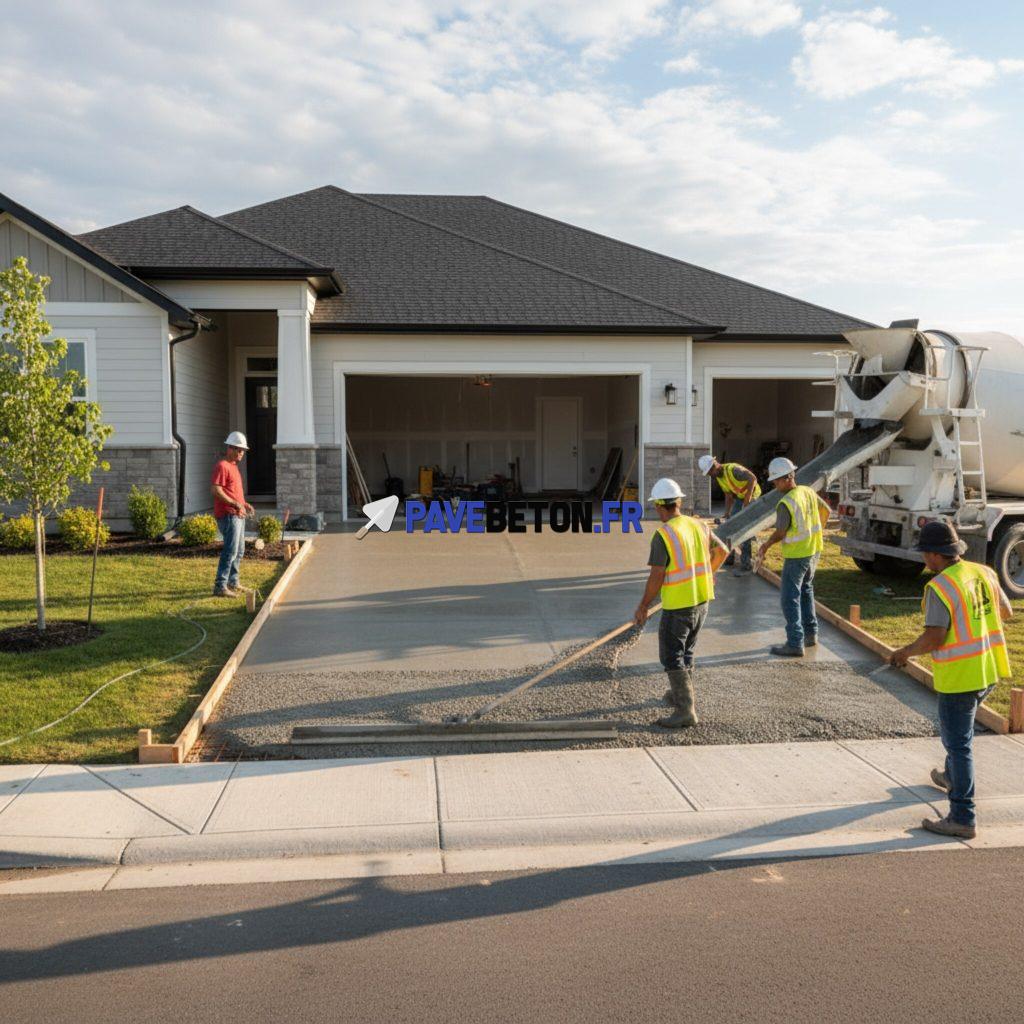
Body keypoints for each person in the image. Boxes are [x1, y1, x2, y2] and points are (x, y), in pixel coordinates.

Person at [890, 521, 1013, 839]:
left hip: (961, 677)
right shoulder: (983, 572)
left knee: (958, 745)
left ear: (934, 554)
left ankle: (962, 817)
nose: (923, 559)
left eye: (924, 553)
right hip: (989, 668)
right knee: (960, 736)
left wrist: (904, 653)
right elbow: (1006, 612)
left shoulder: (941, 587)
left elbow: (934, 637)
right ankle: (951, 777)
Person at [634, 477, 728, 728]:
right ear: (678, 502)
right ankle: (680, 695)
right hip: (702, 601)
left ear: (659, 506)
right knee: (687, 650)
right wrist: (708, 574)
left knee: (671, 655)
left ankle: (685, 710)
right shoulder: (699, 525)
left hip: (679, 606)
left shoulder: (664, 535)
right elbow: (722, 551)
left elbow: (657, 575)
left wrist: (643, 605)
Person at [755, 457, 830, 657]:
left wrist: (766, 545)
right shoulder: (808, 491)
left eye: (776, 480)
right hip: (814, 549)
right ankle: (811, 634)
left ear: (788, 478)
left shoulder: (786, 503)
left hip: (797, 555)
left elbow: (780, 532)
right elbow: (825, 511)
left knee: (790, 598)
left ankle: (795, 642)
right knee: (806, 590)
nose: (775, 484)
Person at [698, 454, 761, 576]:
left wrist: (747, 501)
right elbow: (728, 496)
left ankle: (746, 564)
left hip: (752, 496)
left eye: (710, 472)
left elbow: (753, 478)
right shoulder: (719, 477)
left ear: (715, 465)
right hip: (740, 497)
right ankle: (729, 557)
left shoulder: (733, 469)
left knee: (744, 528)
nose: (710, 475)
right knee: (730, 525)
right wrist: (727, 514)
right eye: (708, 473)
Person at [211, 431, 254, 597]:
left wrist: (243, 504)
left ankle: (233, 582)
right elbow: (216, 490)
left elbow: (233, 492)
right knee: (230, 552)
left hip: (238, 514)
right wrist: (235, 504)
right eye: (239, 450)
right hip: (229, 515)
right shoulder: (222, 466)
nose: (242, 453)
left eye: (243, 450)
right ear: (230, 448)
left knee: (239, 551)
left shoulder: (234, 467)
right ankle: (220, 586)